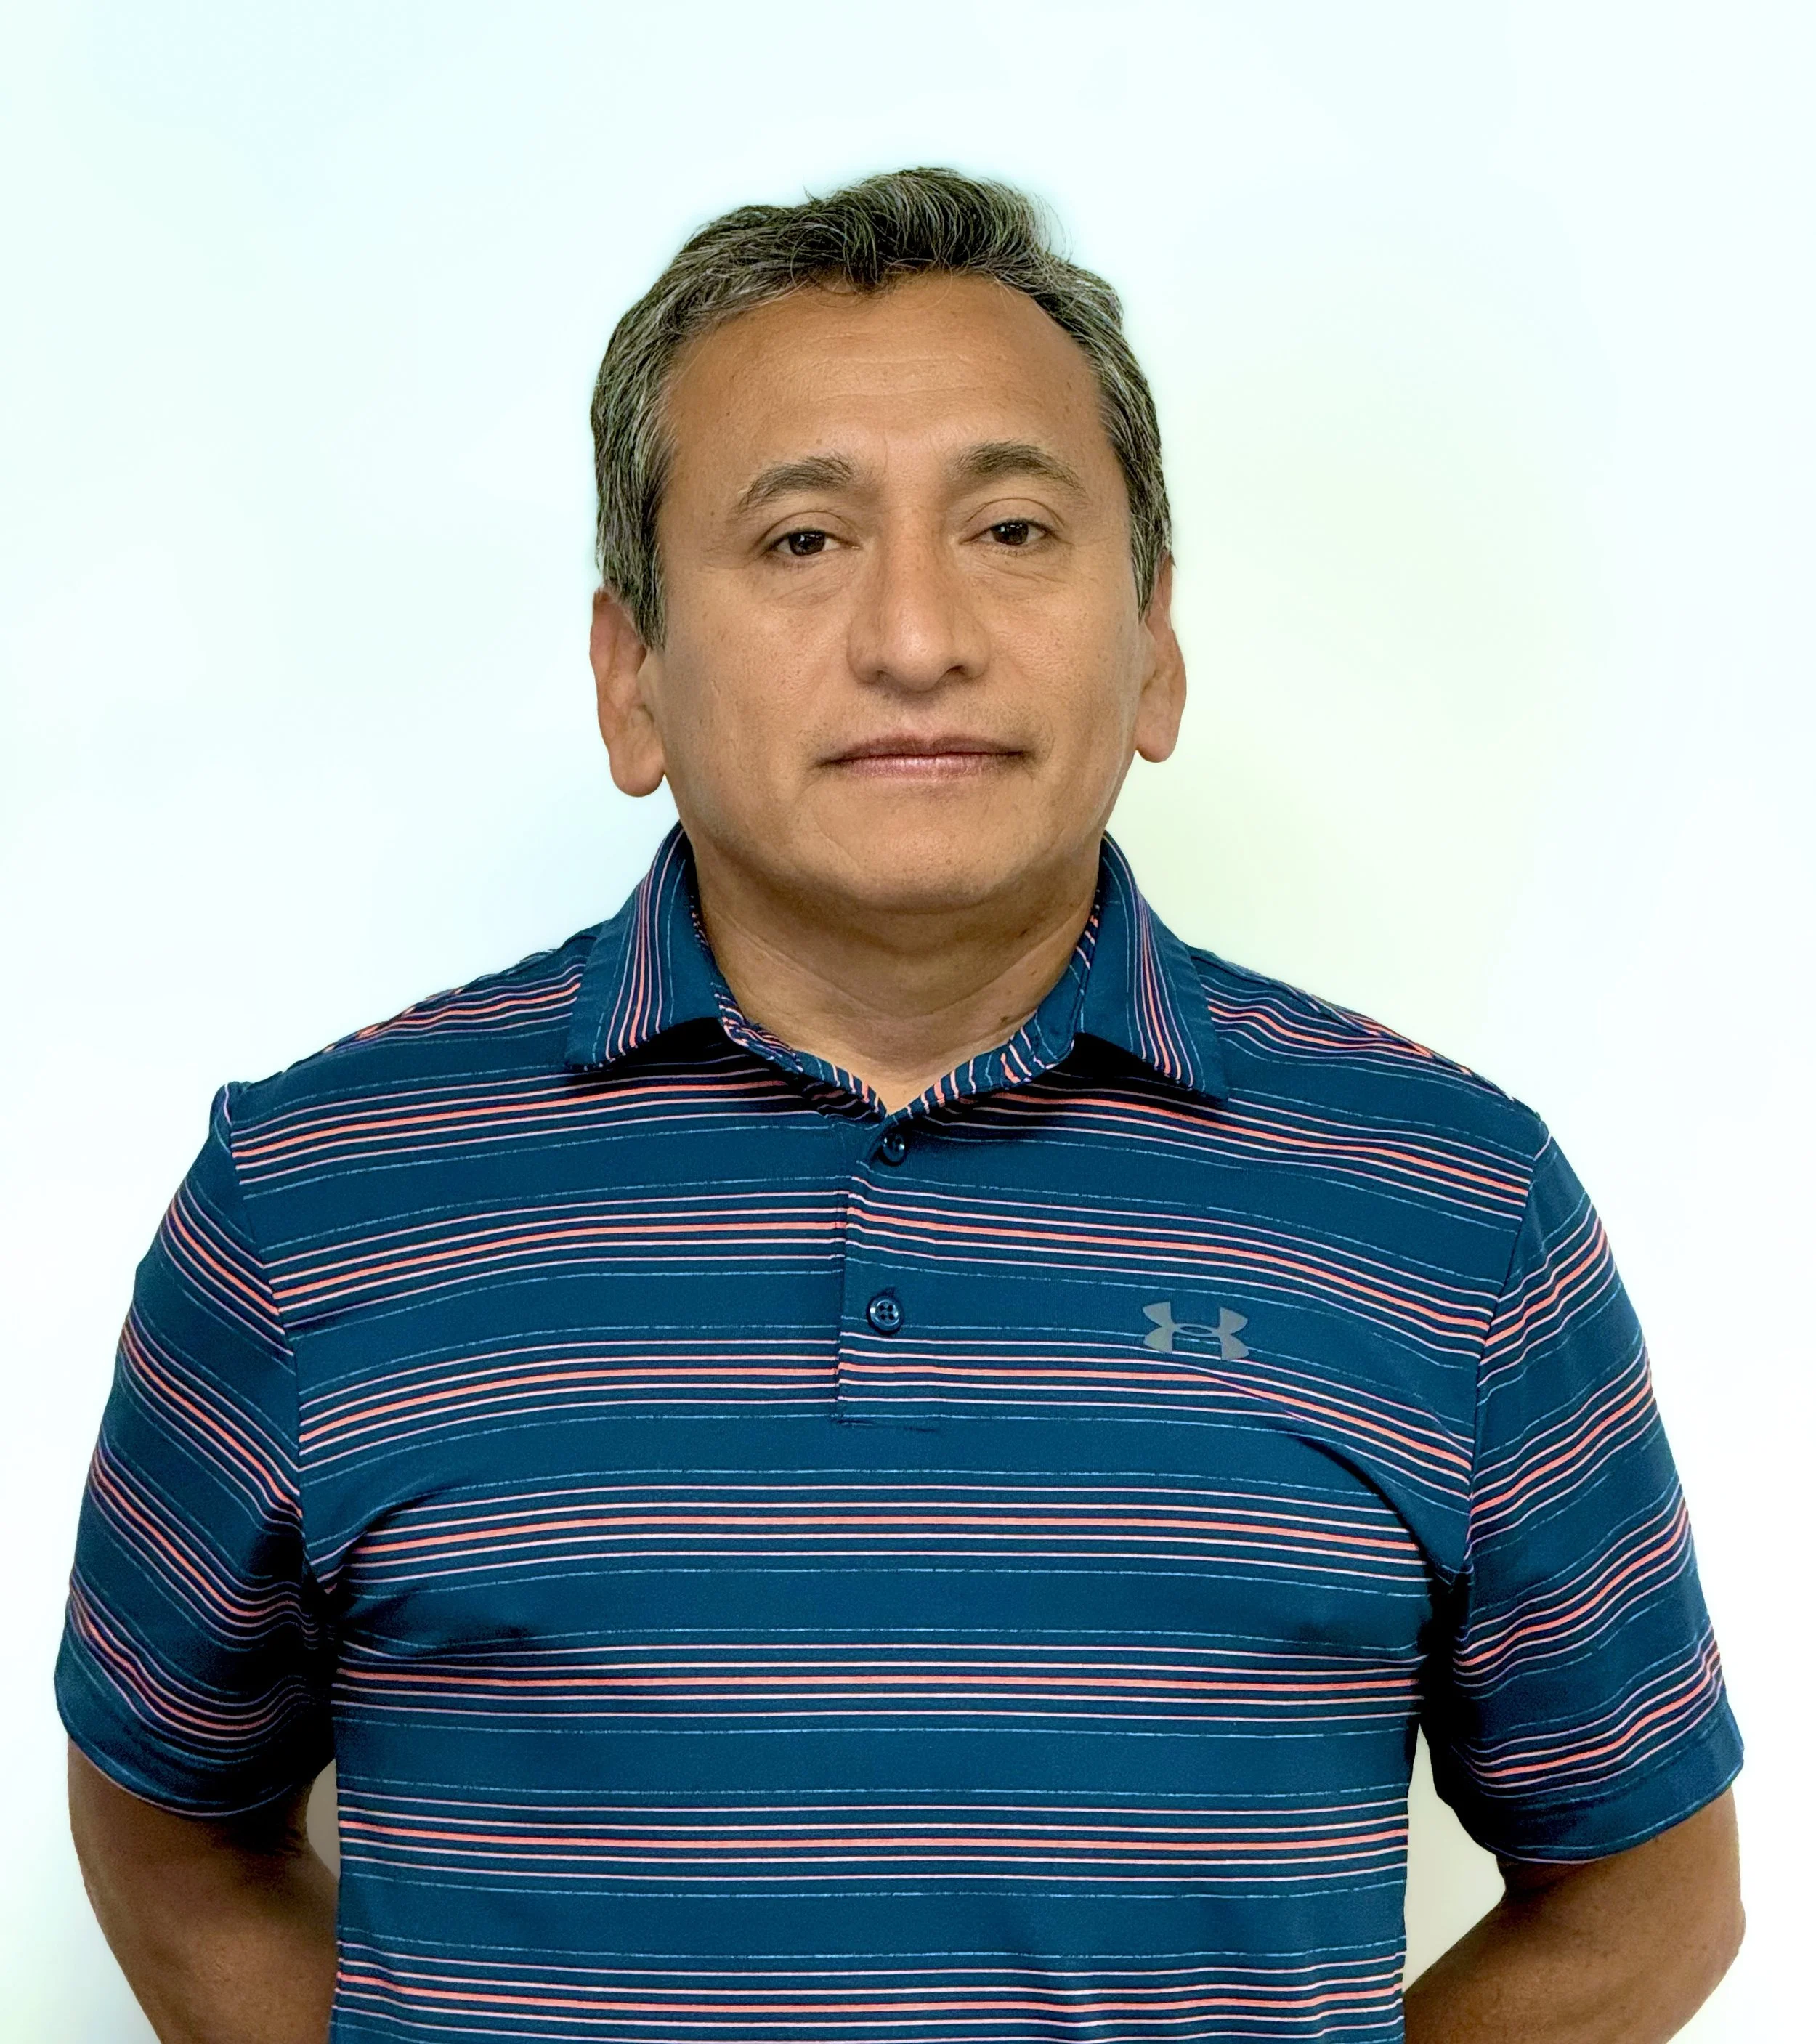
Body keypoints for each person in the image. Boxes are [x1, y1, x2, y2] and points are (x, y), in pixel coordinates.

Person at [60, 167, 1742, 2044]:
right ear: (630, 676)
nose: (918, 636)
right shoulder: (310, 1200)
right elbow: (165, 1822)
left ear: (1155, 645)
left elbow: (1644, 1900)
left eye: (1012, 527)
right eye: (801, 540)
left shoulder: (1453, 1209)